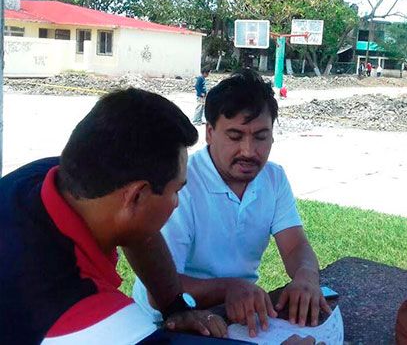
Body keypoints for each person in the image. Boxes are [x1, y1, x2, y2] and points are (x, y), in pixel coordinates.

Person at [0, 89, 229, 343]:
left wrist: (175, 305)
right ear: (137, 196)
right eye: (176, 190)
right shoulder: (91, 318)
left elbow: (138, 231)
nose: (176, 203)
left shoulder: (46, 176)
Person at [133, 69, 331, 338]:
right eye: (235, 136)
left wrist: (306, 276)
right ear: (210, 133)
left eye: (261, 136)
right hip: (168, 319)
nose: (249, 151)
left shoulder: (273, 178)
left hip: (236, 314)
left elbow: (295, 244)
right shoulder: (181, 184)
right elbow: (160, 289)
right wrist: (230, 288)